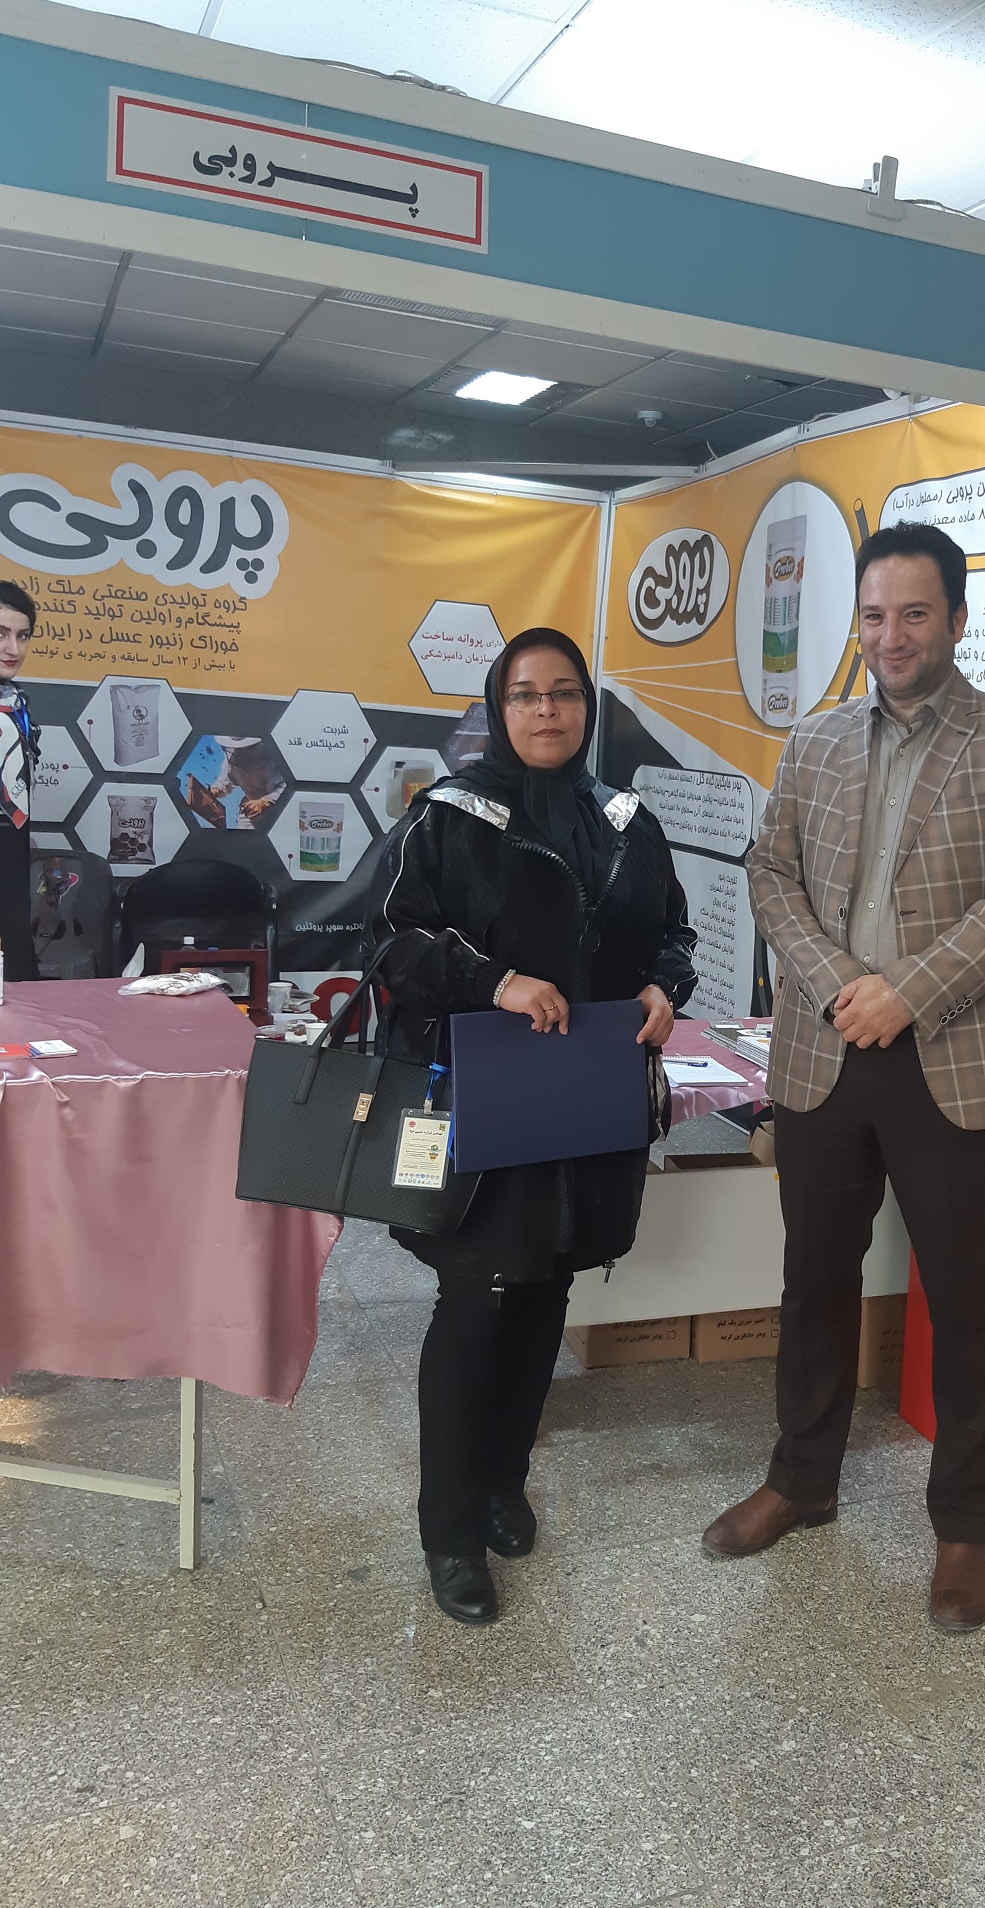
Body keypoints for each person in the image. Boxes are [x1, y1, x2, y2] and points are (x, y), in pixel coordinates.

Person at [703, 522, 985, 1632]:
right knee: (814, 1278)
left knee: (962, 1298)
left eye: (914, 613)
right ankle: (802, 1479)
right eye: (874, 615)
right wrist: (839, 985)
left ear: (956, 618)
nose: (891, 635)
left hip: (954, 1059)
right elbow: (772, 873)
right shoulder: (814, 741)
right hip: (825, 1052)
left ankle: (964, 1526)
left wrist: (907, 990)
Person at [366, 628, 697, 1626]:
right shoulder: (448, 815)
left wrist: (663, 988)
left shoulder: (625, 819)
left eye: (564, 692)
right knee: (475, 1299)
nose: (546, 710)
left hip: (587, 1095)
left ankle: (505, 1480)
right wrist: (495, 980)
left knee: (547, 1287)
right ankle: (449, 1529)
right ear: (497, 708)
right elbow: (390, 940)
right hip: (485, 1094)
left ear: (587, 705)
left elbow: (674, 932)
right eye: (525, 694)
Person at [0, 580, 41, 983]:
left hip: (11, 862)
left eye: (22, 635)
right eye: (0, 634)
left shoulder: (16, 703)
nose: (13, 648)